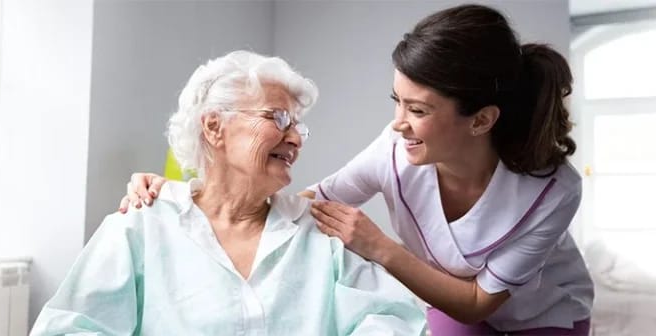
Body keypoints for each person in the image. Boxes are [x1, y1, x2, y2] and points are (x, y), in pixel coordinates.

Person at [120, 4, 594, 335]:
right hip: (455, 305)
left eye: (419, 111)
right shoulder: (393, 150)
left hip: (544, 312)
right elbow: (308, 205)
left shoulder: (553, 190)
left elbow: (475, 305)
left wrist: (379, 246)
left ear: (482, 119)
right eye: (397, 102)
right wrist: (186, 197)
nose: (398, 124)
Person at [31, 50, 426, 336]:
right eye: (278, 118)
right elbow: (71, 327)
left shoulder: (322, 232)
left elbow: (393, 320)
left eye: (298, 126)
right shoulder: (141, 226)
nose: (295, 138)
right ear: (214, 127)